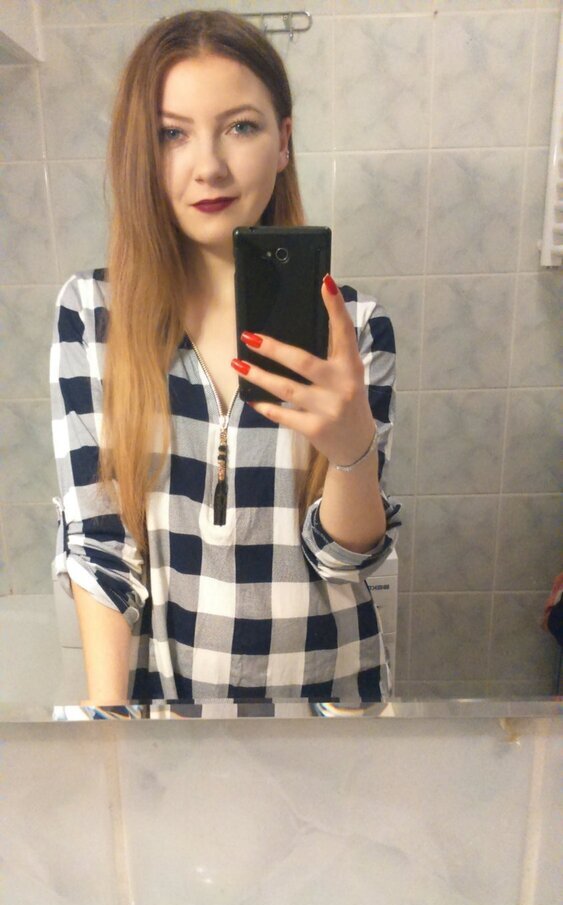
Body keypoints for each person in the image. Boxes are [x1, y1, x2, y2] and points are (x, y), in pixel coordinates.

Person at [49, 9, 402, 706]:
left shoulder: (353, 328)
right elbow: (99, 548)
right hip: (167, 711)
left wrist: (351, 452)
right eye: (172, 134)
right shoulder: (94, 315)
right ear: (141, 152)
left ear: (283, 142)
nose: (208, 166)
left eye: (240, 127)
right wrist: (109, 732)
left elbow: (346, 558)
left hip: (330, 707)